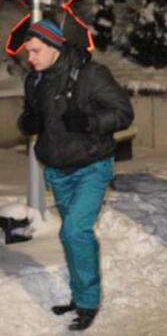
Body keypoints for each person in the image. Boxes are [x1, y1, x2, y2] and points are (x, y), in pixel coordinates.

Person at [18, 19, 134, 330]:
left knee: (74, 231)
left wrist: (89, 121)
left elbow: (124, 112)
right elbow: (29, 113)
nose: (30, 58)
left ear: (55, 48)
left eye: (36, 51)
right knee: (75, 235)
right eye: (28, 51)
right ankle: (80, 295)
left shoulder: (91, 74)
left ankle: (88, 302)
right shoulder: (36, 81)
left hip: (92, 167)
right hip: (57, 170)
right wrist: (27, 122)